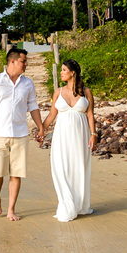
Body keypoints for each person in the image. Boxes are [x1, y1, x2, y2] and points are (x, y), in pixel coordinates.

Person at [0, 46, 44, 221]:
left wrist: (40, 127)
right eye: (23, 61)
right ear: (13, 61)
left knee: (16, 173)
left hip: (21, 134)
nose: (26, 64)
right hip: (0, 134)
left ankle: (11, 209)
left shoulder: (28, 83)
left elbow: (33, 106)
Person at [39, 59, 95, 221]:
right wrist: (41, 130)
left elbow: (90, 114)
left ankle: (79, 204)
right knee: (61, 168)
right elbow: (52, 115)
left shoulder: (86, 92)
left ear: (73, 72)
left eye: (64, 70)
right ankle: (66, 204)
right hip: (61, 137)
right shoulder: (58, 92)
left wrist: (94, 134)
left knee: (79, 168)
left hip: (81, 136)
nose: (61, 72)